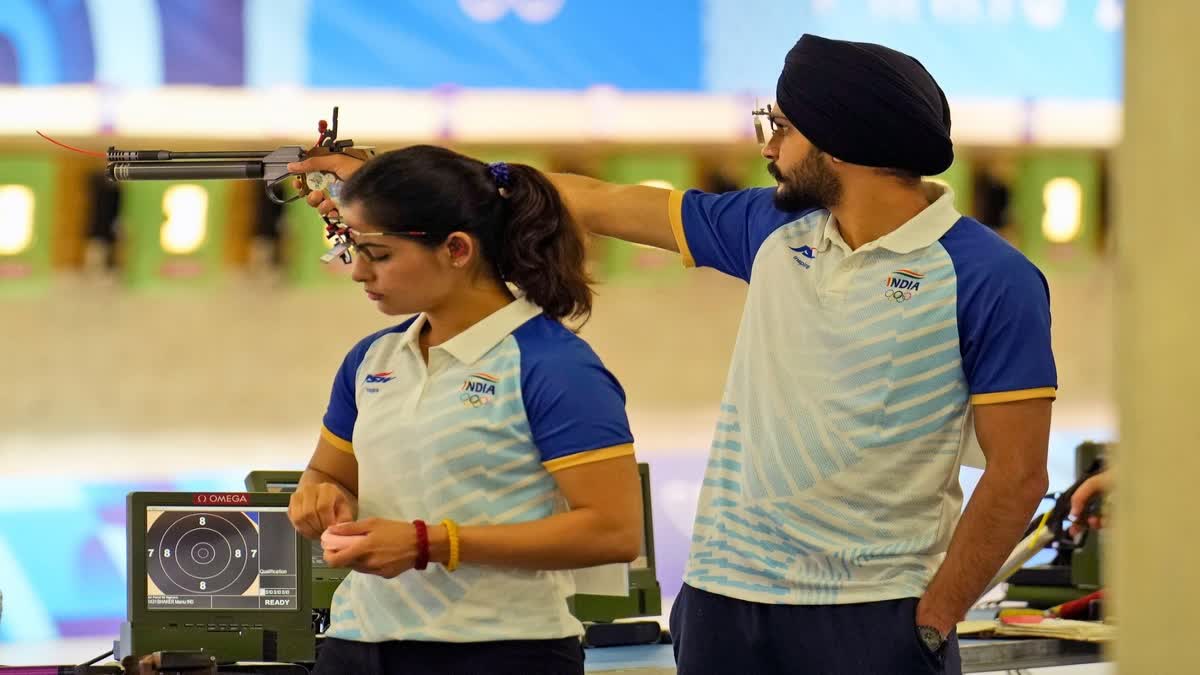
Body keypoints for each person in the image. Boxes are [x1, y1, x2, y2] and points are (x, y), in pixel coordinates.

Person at [290, 34, 1057, 674]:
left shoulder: (989, 278)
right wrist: (390, 178)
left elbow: (1017, 471)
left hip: (872, 613)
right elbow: (599, 201)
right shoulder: (773, 228)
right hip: (722, 602)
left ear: (837, 138)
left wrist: (934, 617)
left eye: (780, 126)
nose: (769, 146)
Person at [286, 145, 644, 675]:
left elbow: (614, 532)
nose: (359, 272)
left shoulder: (554, 365)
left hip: (501, 652)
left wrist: (430, 544)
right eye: (350, 249)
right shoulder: (371, 359)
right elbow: (329, 473)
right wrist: (317, 496)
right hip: (357, 642)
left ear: (456, 249)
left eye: (377, 254)